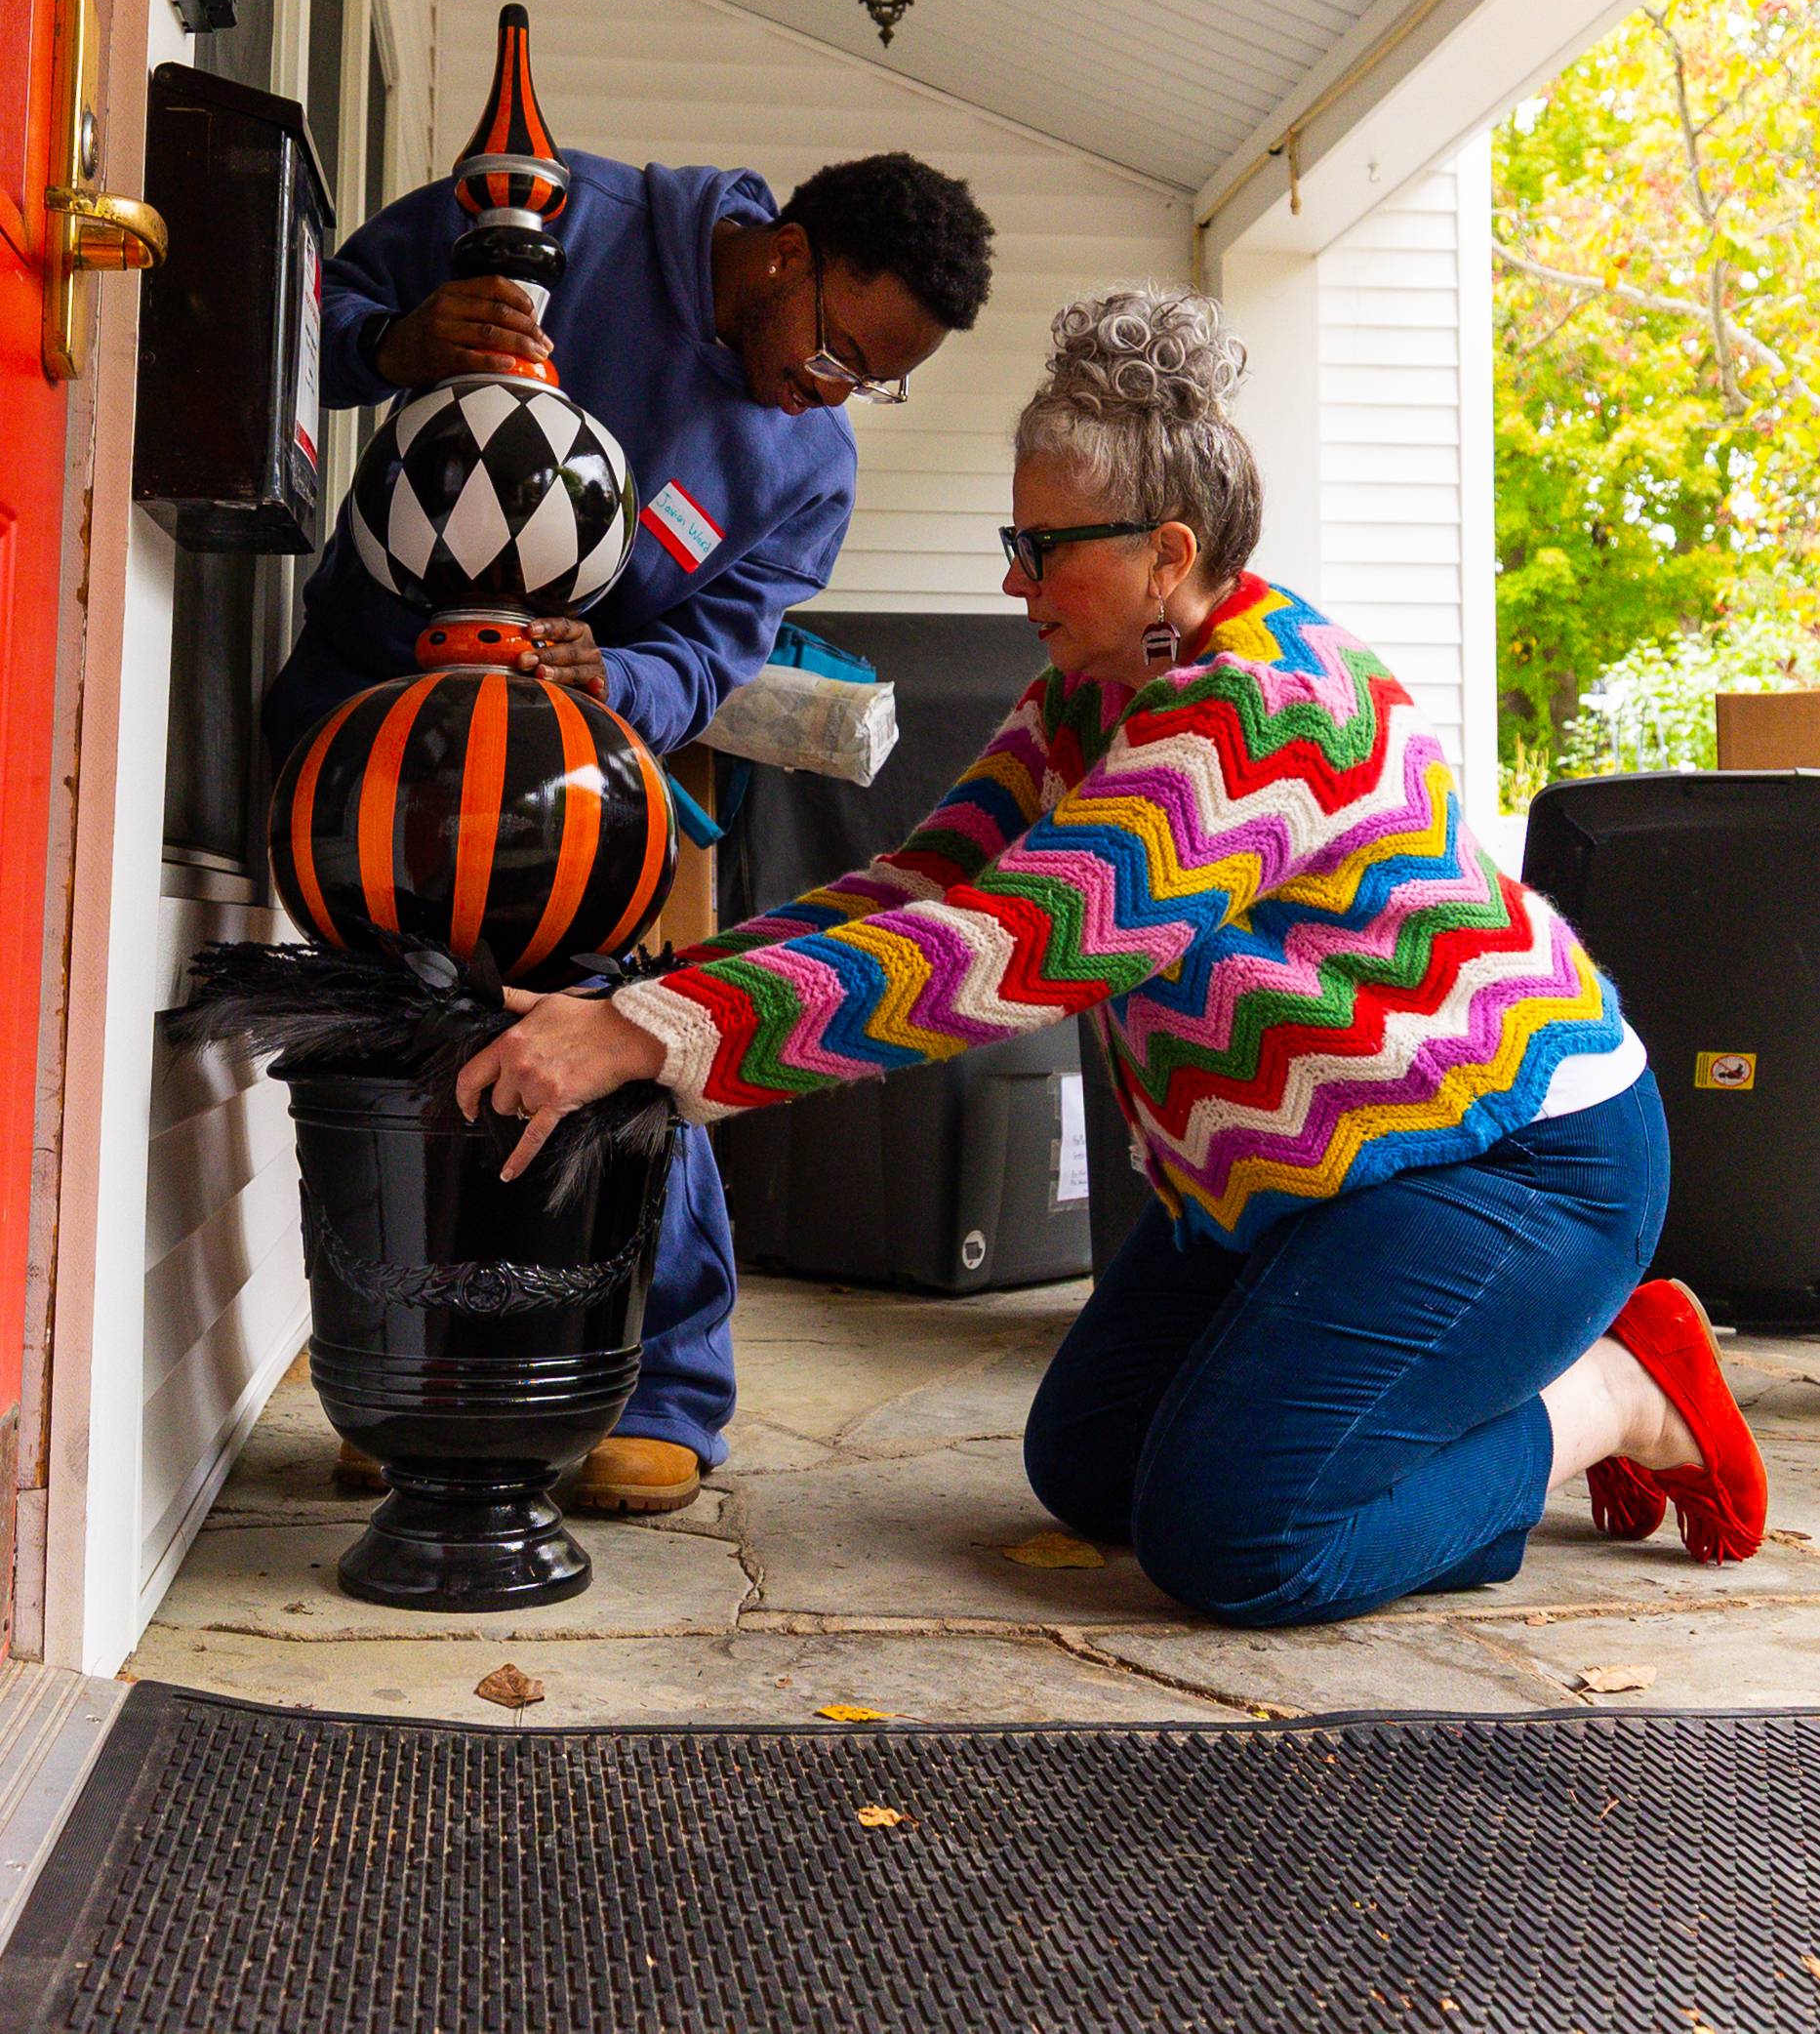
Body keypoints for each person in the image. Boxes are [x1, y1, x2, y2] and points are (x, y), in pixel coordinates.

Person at [457, 284, 1767, 1622]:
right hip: (1314, 1164)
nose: (1011, 578)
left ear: (1164, 552)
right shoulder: (1091, 686)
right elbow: (923, 885)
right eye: (1011, 537)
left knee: (1237, 1541)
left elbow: (1022, 942)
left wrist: (651, 1041)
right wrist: (641, 999)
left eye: (1040, 545)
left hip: (1509, 1158)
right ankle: (1412, 1391)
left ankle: (1613, 1391)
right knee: (1087, 1466)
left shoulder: (1259, 708)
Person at [266, 146, 994, 1515]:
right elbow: (307, 324)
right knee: (386, 1031)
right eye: (838, 349)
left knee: (616, 1032)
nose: (831, 392)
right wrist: (400, 340)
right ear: (782, 250)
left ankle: (663, 1387)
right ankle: (405, 1372)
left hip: (567, 774)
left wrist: (624, 681)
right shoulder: (554, 213)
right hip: (372, 721)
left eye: (871, 380)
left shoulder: (806, 465)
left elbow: (718, 646)